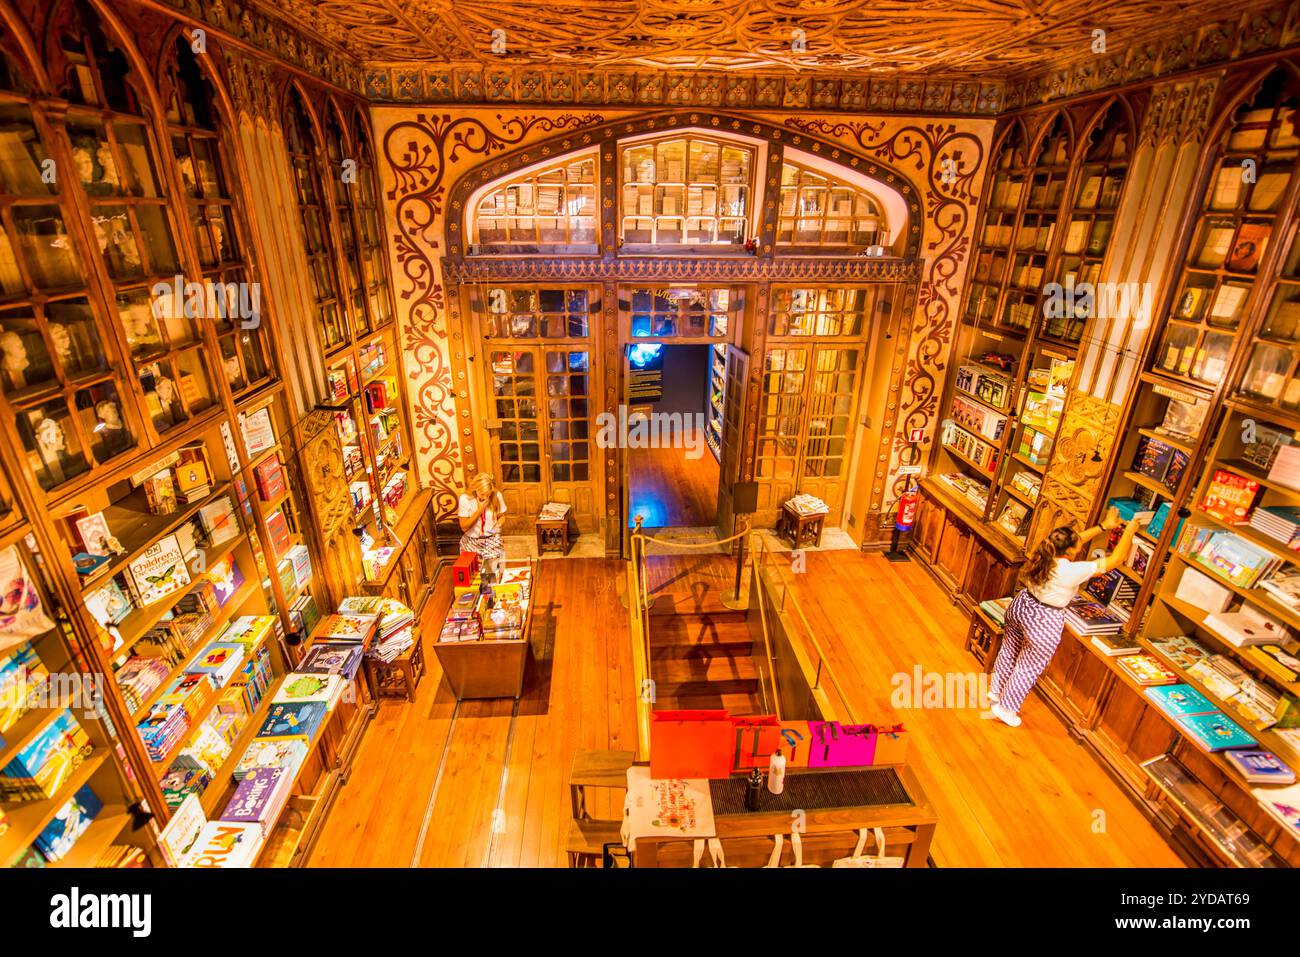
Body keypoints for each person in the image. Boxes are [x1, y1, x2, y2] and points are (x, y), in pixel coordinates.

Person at [987, 507, 1142, 727]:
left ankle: (995, 691)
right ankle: (1005, 707)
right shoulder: (1071, 570)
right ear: (1069, 551)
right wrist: (1131, 531)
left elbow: (1075, 539)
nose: (1080, 545)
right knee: (1029, 666)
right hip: (1044, 619)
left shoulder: (1045, 551)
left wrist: (1103, 527)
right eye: (1076, 545)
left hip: (1022, 605)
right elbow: (1115, 560)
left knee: (1009, 650)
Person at [459, 472, 507, 580]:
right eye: (482, 494)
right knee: (474, 578)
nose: (486, 498)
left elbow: (502, 516)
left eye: (488, 494)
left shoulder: (496, 495)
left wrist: (498, 525)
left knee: (491, 577)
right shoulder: (465, 499)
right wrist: (480, 509)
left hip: (491, 540)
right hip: (471, 541)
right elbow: (464, 527)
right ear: (475, 490)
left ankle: (491, 594)